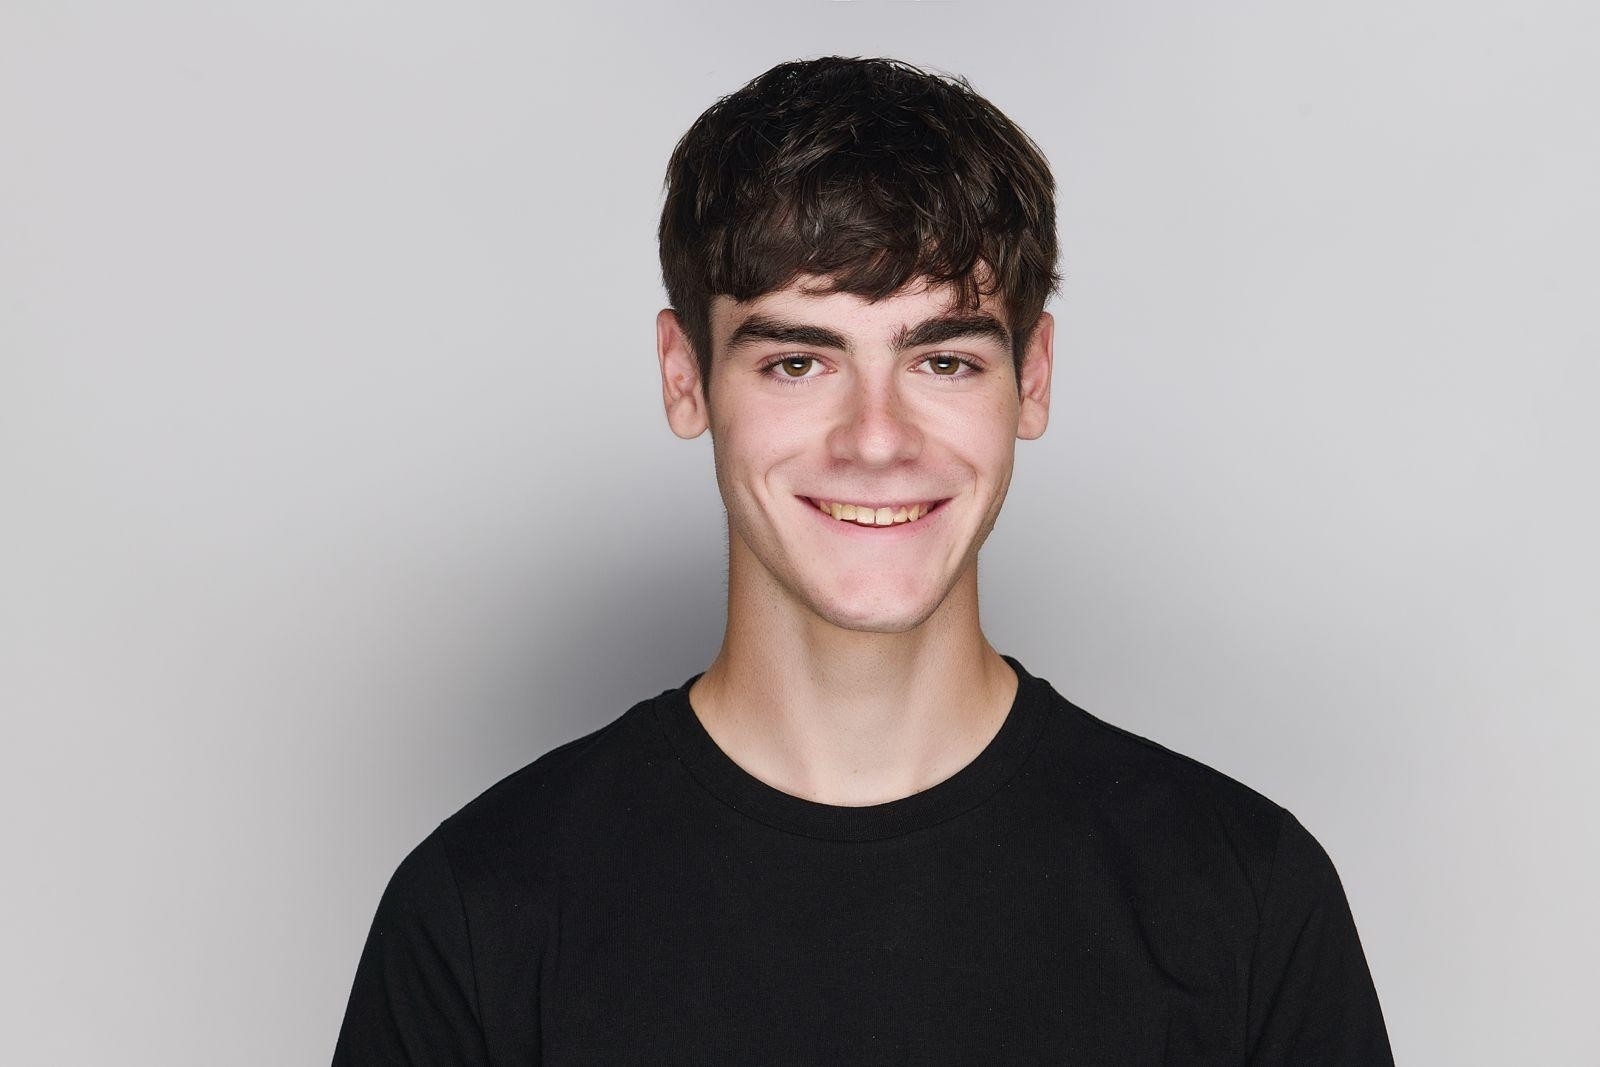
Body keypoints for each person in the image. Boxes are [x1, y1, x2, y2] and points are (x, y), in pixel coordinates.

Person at [333, 56, 1393, 1064]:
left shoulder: (1245, 898)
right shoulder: (480, 911)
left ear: (1031, 380)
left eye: (944, 360)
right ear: (684, 376)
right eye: (798, 362)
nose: (876, 439)